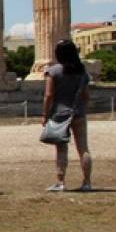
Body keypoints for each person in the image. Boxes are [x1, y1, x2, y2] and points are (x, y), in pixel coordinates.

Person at [43, 39, 93, 192]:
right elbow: (86, 95)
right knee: (83, 148)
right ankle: (87, 182)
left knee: (61, 149)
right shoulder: (82, 72)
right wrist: (81, 108)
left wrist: (45, 114)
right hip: (78, 113)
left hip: (59, 114)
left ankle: (61, 181)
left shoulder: (53, 71)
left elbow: (49, 95)